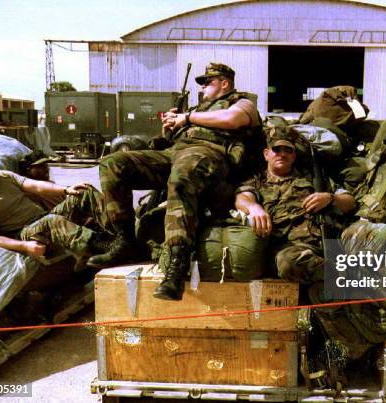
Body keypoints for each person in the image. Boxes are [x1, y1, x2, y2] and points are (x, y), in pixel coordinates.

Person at [87, 62, 262, 301]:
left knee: (181, 176)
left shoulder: (242, 102)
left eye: (208, 82)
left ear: (225, 83)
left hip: (210, 155)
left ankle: (177, 266)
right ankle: (125, 240)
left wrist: (187, 118)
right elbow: (169, 140)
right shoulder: (197, 109)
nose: (203, 87)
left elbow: (233, 119)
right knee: (113, 163)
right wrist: (169, 127)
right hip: (177, 152)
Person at [234, 126, 355, 283]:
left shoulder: (313, 179)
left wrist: (330, 198)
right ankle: (350, 278)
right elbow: (242, 197)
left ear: (294, 156)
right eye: (277, 149)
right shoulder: (257, 182)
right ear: (266, 154)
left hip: (326, 242)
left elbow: (350, 202)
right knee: (288, 263)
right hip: (290, 251)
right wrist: (254, 208)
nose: (282, 154)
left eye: (288, 150)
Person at [0, 140, 111, 268]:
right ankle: (105, 247)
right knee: (52, 221)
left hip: (42, 218)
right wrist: (25, 246)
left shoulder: (4, 176)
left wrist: (66, 190)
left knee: (83, 191)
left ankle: (118, 230)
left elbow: (35, 186)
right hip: (23, 233)